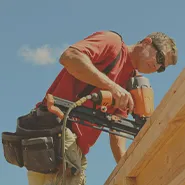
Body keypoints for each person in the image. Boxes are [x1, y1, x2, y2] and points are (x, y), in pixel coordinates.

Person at [27, 30, 178, 185]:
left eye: (162, 68)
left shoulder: (131, 83)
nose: (157, 66)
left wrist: (132, 173)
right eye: (159, 57)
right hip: (56, 132)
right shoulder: (113, 43)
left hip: (75, 150)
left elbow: (116, 132)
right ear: (146, 42)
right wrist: (111, 86)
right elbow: (69, 57)